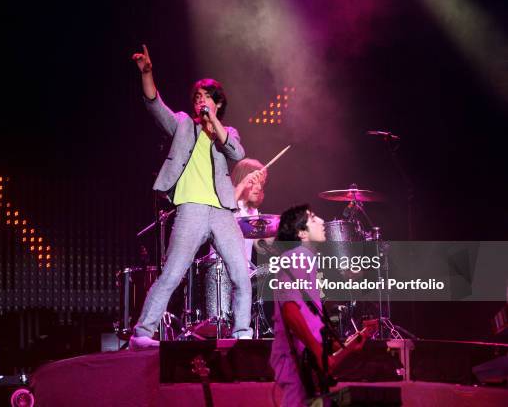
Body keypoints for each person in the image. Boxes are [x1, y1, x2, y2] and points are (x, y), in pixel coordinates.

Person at [129, 45, 253, 349]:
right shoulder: (184, 124)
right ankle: (142, 334)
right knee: (172, 273)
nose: (200, 101)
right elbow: (154, 105)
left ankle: (242, 333)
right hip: (191, 210)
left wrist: (215, 125)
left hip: (222, 211)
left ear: (218, 103)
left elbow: (237, 153)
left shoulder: (228, 132)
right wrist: (147, 74)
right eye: (197, 97)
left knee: (241, 273)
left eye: (206, 97)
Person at [270, 205, 370, 406]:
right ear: (301, 233)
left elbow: (307, 316)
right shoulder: (298, 256)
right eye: (314, 219)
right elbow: (289, 310)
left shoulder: (305, 259)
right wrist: (317, 351)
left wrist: (342, 346)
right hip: (296, 361)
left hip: (303, 361)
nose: (323, 222)